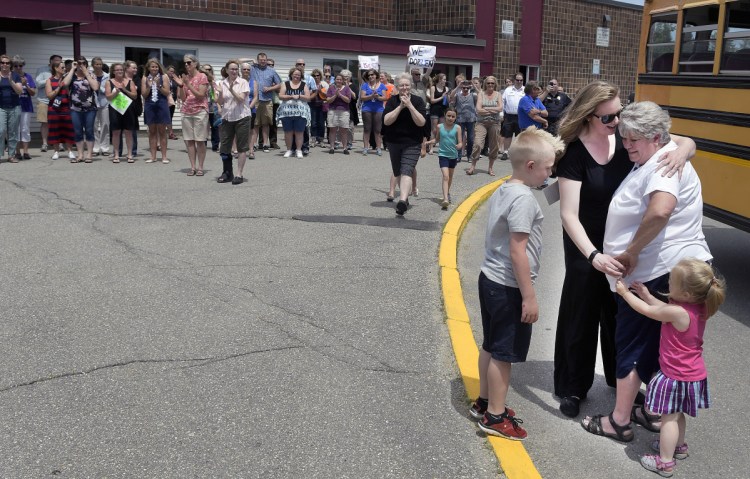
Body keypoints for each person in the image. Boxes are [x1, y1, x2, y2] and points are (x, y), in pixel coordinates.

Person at [554, 82, 695, 419]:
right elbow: (568, 214)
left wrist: (683, 150)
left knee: (621, 315)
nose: (617, 122)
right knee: (582, 314)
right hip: (586, 248)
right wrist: (592, 255)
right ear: (589, 117)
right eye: (609, 117)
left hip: (626, 250)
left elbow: (679, 139)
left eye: (619, 113)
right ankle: (574, 386)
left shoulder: (629, 140)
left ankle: (623, 384)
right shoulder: (575, 153)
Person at [580, 101, 711, 443]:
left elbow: (661, 210)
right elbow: (681, 141)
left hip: (656, 270)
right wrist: (686, 145)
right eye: (624, 138)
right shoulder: (665, 151)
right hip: (670, 267)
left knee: (633, 344)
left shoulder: (661, 167)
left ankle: (619, 420)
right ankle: (654, 412)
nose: (627, 145)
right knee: (657, 345)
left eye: (633, 139)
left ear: (655, 137)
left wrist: (631, 253)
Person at [471, 127, 563, 441]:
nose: (551, 172)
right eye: (549, 167)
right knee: (504, 354)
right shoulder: (524, 200)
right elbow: (517, 250)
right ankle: (495, 416)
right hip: (510, 287)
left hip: (491, 279)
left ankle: (484, 402)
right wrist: (530, 296)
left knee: (491, 345)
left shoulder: (505, 188)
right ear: (531, 167)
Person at [614, 259, 725, 477]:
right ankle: (679, 447)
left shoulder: (679, 313)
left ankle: (665, 462)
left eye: (671, 283)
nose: (668, 285)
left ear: (686, 293)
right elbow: (663, 308)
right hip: (692, 375)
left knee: (668, 419)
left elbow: (648, 311)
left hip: (675, 376)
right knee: (677, 414)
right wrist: (646, 293)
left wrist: (625, 294)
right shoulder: (697, 307)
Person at [382, 72, 430, 216]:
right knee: (398, 171)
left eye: (407, 85)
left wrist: (409, 106)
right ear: (397, 87)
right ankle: (405, 197)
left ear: (411, 86)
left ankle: (402, 201)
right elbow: (386, 121)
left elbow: (421, 122)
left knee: (407, 170)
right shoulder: (392, 101)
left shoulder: (418, 101)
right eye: (401, 85)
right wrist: (400, 107)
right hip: (394, 142)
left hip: (412, 142)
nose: (404, 88)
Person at [215, 59, 252, 184]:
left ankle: (239, 174)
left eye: (236, 69)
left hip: (242, 117)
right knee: (225, 147)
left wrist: (231, 90)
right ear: (226, 70)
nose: (234, 71)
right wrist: (220, 93)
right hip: (227, 118)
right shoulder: (220, 83)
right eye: (232, 69)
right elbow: (219, 102)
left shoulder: (243, 82)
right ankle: (227, 172)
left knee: (242, 147)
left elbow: (241, 99)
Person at [176, 54, 209, 176]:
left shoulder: (202, 76)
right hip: (186, 111)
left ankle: (200, 167)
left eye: (189, 62)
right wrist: (181, 85)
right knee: (189, 141)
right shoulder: (185, 78)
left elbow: (200, 95)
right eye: (185, 63)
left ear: (195, 63)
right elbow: (183, 98)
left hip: (200, 110)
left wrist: (188, 84)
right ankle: (192, 167)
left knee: (200, 140)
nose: (186, 65)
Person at [467, 76, 502, 176]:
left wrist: (485, 109)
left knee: (494, 146)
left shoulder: (498, 94)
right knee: (478, 143)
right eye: (488, 83)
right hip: (481, 123)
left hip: (495, 123)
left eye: (492, 83)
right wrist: (492, 110)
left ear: (495, 84)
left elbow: (500, 108)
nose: (490, 85)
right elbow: (478, 109)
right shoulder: (481, 94)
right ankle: (473, 166)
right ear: (485, 84)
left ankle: (490, 168)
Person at [68, 56, 100, 163]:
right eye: (79, 63)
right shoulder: (72, 75)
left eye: (83, 63)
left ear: (86, 65)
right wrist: (72, 69)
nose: (81, 65)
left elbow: (95, 87)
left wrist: (86, 73)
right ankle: (80, 155)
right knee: (77, 132)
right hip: (75, 108)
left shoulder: (91, 75)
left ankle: (89, 154)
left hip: (90, 108)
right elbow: (64, 84)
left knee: (89, 131)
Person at [105, 62, 138, 164]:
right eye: (117, 70)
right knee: (116, 132)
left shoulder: (129, 81)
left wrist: (124, 90)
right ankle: (116, 154)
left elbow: (134, 96)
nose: (119, 71)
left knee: (128, 132)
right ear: (113, 72)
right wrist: (115, 92)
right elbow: (108, 97)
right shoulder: (109, 82)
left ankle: (129, 154)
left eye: (121, 70)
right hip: (115, 110)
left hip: (128, 109)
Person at [431, 107, 463, 209]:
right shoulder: (440, 126)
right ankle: (445, 199)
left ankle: (447, 193)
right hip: (443, 155)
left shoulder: (457, 128)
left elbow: (460, 142)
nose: (450, 118)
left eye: (453, 116)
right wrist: (428, 142)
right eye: (449, 115)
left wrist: (459, 146)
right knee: (445, 176)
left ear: (456, 117)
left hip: (453, 156)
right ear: (445, 115)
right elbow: (436, 140)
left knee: (450, 177)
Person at [45, 58, 76, 161]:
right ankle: (56, 151)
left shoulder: (66, 78)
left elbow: (67, 89)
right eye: (62, 67)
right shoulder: (49, 80)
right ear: (55, 68)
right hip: (54, 108)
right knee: (55, 130)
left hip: (66, 107)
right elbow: (49, 96)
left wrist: (65, 87)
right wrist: (58, 88)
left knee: (68, 129)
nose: (64, 69)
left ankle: (70, 151)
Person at [141, 58, 171, 163]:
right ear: (148, 68)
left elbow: (167, 92)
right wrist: (149, 87)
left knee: (162, 131)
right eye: (152, 66)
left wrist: (158, 86)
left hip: (162, 104)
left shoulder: (164, 76)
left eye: (156, 66)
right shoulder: (145, 78)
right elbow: (144, 94)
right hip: (149, 105)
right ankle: (153, 156)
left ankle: (164, 156)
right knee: (152, 131)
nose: (154, 68)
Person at [278, 67, 311, 159]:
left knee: (299, 132)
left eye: (299, 75)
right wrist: (290, 96)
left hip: (301, 112)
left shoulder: (304, 85)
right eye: (295, 74)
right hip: (286, 112)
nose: (297, 76)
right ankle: (289, 150)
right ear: (291, 75)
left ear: (301, 76)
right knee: (288, 132)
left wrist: (299, 96)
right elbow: (280, 95)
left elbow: (308, 97)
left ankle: (299, 150)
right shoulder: (285, 84)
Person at [251, 52, 281, 152]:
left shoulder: (272, 71)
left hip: (267, 100)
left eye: (264, 60)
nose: (262, 62)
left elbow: (280, 84)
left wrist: (270, 88)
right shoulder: (253, 68)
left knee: (266, 124)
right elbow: (238, 62)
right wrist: (251, 61)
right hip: (255, 100)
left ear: (266, 61)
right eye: (260, 60)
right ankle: (254, 144)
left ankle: (264, 144)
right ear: (258, 60)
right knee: (255, 124)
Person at [0, 54, 24, 163]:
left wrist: (10, 81)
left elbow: (19, 91)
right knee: (1, 130)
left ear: (10, 65)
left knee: (13, 132)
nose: (5, 65)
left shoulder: (15, 76)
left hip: (14, 107)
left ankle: (11, 155)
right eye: (2, 62)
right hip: (1, 107)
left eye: (7, 63)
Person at [36, 54, 61, 153]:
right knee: (44, 122)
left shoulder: (61, 70)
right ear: (51, 61)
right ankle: (45, 143)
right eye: (56, 60)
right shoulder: (42, 70)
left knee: (58, 122)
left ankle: (59, 143)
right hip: (44, 100)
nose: (58, 62)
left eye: (60, 60)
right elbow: (38, 83)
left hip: (57, 100)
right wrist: (50, 79)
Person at [12, 56, 36, 161]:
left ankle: (26, 152)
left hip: (26, 106)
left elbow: (33, 93)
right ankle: (17, 152)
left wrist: (26, 83)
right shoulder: (10, 76)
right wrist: (19, 85)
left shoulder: (28, 76)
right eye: (15, 65)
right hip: (14, 106)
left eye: (20, 65)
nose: (18, 68)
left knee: (25, 129)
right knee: (15, 130)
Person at [360, 68, 386, 156]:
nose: (371, 76)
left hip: (378, 109)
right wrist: (371, 96)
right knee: (367, 129)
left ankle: (378, 148)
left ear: (376, 76)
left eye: (372, 75)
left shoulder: (382, 85)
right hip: (367, 109)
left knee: (378, 130)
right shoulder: (365, 85)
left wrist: (377, 97)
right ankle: (365, 148)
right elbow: (362, 97)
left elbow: (385, 98)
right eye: (369, 75)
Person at [325, 73, 352, 155]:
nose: (339, 81)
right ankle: (332, 147)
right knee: (332, 130)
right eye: (337, 79)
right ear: (335, 80)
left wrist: (340, 95)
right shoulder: (331, 88)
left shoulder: (347, 88)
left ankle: (345, 148)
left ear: (343, 80)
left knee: (343, 130)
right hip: (332, 111)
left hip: (344, 111)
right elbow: (328, 100)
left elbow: (348, 100)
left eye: (340, 79)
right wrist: (335, 95)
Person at [451, 78, 476, 163]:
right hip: (460, 119)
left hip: (471, 119)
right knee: (459, 138)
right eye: (464, 88)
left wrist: (473, 84)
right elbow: (451, 95)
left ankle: (469, 155)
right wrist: (458, 85)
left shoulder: (473, 95)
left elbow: (481, 94)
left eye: (467, 88)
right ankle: (458, 156)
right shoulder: (458, 95)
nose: (465, 89)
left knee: (471, 139)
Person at [501, 73, 525, 160]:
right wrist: (501, 113)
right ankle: (505, 152)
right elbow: (503, 101)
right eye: (517, 80)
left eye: (521, 80)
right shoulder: (508, 90)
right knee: (507, 135)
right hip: (509, 116)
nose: (519, 82)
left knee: (519, 136)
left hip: (521, 117)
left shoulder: (525, 90)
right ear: (514, 80)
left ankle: (518, 153)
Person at [91, 57, 111, 157]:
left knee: (105, 125)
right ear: (93, 65)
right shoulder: (90, 75)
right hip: (92, 104)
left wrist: (100, 87)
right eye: (97, 64)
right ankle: (95, 148)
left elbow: (109, 90)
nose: (99, 66)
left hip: (104, 103)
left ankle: (105, 148)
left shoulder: (107, 76)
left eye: (100, 64)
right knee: (94, 126)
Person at [202, 64, 221, 152]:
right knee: (204, 126)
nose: (207, 71)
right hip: (203, 107)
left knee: (215, 126)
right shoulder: (201, 81)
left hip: (213, 106)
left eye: (209, 69)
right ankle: (203, 145)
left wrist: (219, 106)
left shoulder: (215, 82)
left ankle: (215, 145)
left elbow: (216, 96)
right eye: (205, 70)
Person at [428, 73, 449, 148]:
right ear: (440, 80)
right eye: (444, 79)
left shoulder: (446, 88)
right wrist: (442, 97)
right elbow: (432, 100)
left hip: (443, 109)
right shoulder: (433, 88)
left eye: (445, 79)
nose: (445, 81)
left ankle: (441, 146)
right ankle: (431, 147)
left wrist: (448, 97)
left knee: (441, 129)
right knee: (434, 129)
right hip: (435, 109)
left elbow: (447, 101)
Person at [309, 68, 326, 148]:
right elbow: (308, 95)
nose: (316, 77)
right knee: (313, 123)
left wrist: (320, 91)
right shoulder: (310, 84)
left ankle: (321, 140)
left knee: (321, 124)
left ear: (320, 76)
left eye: (317, 75)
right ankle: (313, 140)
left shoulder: (323, 84)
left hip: (321, 105)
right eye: (314, 76)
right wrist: (315, 92)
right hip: (312, 105)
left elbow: (326, 96)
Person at [166, 65, 179, 140]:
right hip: (165, 101)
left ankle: (170, 133)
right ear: (167, 71)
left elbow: (177, 90)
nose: (172, 73)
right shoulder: (165, 79)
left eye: (173, 72)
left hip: (172, 101)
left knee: (170, 117)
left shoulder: (174, 81)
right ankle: (170, 133)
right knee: (166, 117)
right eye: (170, 71)